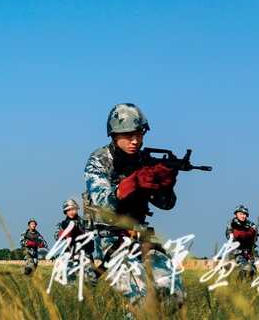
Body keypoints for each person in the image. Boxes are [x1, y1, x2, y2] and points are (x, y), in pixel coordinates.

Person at [84, 103, 185, 314]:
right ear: (114, 134)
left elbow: (167, 204)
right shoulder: (99, 160)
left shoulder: (145, 161)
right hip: (109, 239)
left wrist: (165, 185)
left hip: (141, 238)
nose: (135, 141)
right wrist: (133, 182)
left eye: (139, 135)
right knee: (141, 297)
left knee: (174, 293)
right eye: (129, 135)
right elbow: (102, 203)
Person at [54, 199, 98, 285]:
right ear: (65, 212)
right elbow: (56, 236)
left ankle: (91, 291)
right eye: (69, 210)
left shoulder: (84, 221)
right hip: (71, 253)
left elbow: (93, 232)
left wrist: (80, 232)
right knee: (70, 275)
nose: (71, 212)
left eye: (73, 209)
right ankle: (71, 292)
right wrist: (62, 233)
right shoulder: (63, 224)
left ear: (77, 210)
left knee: (91, 277)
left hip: (85, 251)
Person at [225, 204, 258, 280]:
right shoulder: (231, 223)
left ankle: (249, 283)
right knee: (246, 267)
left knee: (253, 270)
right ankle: (238, 280)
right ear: (236, 214)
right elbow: (229, 236)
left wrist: (247, 234)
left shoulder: (250, 224)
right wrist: (240, 234)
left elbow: (255, 235)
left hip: (248, 251)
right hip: (237, 251)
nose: (242, 216)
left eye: (244, 214)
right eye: (240, 214)